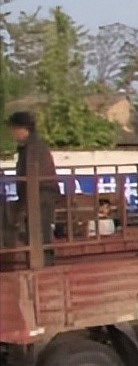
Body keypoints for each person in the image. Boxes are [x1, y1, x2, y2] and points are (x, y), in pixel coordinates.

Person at [9, 112, 59, 265]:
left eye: (13, 129)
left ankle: (43, 265)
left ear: (22, 128)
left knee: (39, 233)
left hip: (41, 194)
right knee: (37, 232)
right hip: (38, 194)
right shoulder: (29, 145)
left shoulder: (33, 146)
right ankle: (41, 262)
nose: (12, 134)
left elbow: (32, 171)